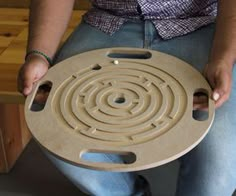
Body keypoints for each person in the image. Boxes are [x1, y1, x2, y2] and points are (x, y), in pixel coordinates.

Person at [17, 0, 236, 195]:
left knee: (218, 158)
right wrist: (39, 55)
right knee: (53, 124)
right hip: (108, 22)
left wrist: (223, 58)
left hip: (202, 24)